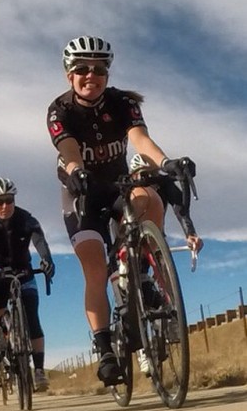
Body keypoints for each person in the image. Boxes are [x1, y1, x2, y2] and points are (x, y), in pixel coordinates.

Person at [46, 35, 196, 386]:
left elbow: (140, 139)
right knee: (95, 268)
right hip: (81, 190)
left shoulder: (123, 103)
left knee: (151, 198)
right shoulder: (60, 109)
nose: (90, 75)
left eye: (99, 69)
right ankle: (105, 349)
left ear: (107, 74)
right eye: (81, 68)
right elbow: (68, 149)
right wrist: (75, 170)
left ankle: (142, 269)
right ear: (70, 74)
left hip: (117, 183)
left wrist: (166, 162)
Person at [0, 178, 55, 392]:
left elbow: (39, 241)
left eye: (8, 200)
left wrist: (46, 259)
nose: (4, 206)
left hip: (23, 269)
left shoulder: (26, 218)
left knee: (33, 318)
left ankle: (38, 370)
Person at [129, 153, 203, 374]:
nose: (147, 180)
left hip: (154, 238)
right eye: (142, 176)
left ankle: (172, 314)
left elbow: (181, 209)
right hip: (128, 238)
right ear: (132, 176)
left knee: (163, 269)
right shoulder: (127, 188)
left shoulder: (163, 184)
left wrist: (190, 234)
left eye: (151, 175)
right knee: (129, 285)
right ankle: (139, 344)